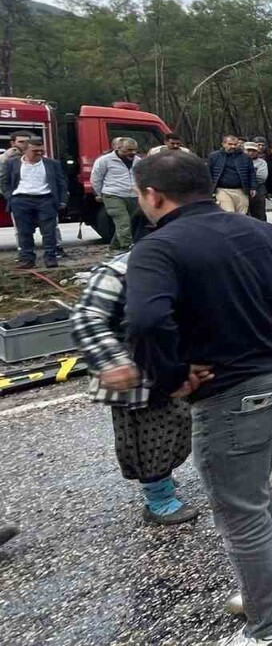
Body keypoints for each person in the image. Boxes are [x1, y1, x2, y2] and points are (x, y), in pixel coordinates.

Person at [126, 151, 272, 646]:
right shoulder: (257, 228)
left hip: (236, 396)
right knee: (253, 493)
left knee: (239, 511)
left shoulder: (157, 247)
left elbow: (146, 321)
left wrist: (171, 377)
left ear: (153, 195)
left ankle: (268, 630)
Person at [70, 251, 199, 525]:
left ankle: (161, 476)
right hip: (129, 371)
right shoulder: (118, 271)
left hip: (169, 365)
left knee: (176, 424)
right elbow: (87, 317)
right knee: (145, 437)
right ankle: (158, 498)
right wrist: (113, 362)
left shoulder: (184, 259)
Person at [2, 139, 66, 269]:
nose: (39, 153)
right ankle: (27, 259)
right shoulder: (12, 163)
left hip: (45, 200)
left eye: (41, 150)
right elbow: (4, 181)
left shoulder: (52, 164)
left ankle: (50, 258)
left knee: (49, 232)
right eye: (35, 151)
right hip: (21, 200)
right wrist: (11, 197)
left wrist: (62, 200)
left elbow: (62, 183)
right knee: (24, 232)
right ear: (25, 150)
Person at [91, 137, 143, 251]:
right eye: (129, 150)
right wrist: (101, 193)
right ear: (118, 148)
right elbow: (96, 178)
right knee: (123, 222)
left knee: (131, 222)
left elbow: (140, 177)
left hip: (133, 196)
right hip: (113, 195)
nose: (133, 152)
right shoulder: (104, 160)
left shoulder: (138, 161)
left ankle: (114, 248)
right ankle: (127, 247)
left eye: (135, 150)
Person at [208, 135, 255, 214]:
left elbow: (251, 173)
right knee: (229, 213)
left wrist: (253, 187)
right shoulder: (214, 156)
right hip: (222, 190)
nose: (233, 146)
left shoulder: (245, 157)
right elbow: (209, 173)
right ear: (223, 144)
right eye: (230, 144)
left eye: (235, 144)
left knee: (242, 215)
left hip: (241, 190)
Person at [245, 142, 270, 222]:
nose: (251, 153)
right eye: (248, 150)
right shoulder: (239, 161)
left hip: (259, 190)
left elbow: (262, 177)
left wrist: (246, 178)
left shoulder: (262, 163)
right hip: (243, 190)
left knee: (259, 215)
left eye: (253, 150)